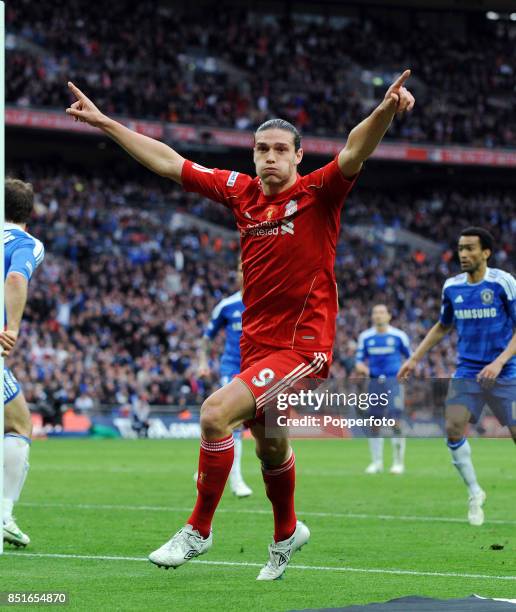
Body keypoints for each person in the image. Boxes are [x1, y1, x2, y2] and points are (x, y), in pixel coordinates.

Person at [66, 70, 415, 579]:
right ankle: (287, 532)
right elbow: (169, 161)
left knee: (213, 415)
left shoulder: (320, 192)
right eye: (260, 149)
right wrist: (106, 124)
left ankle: (198, 530)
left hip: (302, 347)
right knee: (271, 446)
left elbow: (354, 150)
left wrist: (385, 110)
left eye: (279, 149)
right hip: (256, 346)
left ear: (298, 156)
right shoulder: (241, 193)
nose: (269, 157)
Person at [398, 227, 516, 526]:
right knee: (452, 428)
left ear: (486, 252)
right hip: (467, 371)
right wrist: (414, 357)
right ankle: (475, 492)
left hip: (506, 370)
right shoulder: (452, 287)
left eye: (470, 249)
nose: (463, 254)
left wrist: (500, 362)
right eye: (461, 248)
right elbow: (443, 325)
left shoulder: (503, 283)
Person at [2, 179, 45, 547]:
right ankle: (3, 513)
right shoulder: (25, 243)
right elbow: (16, 276)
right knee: (18, 423)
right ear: (28, 215)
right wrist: (11, 327)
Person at [198, 264, 252, 497]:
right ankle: (236, 481)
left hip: (260, 370)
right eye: (240, 269)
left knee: (264, 427)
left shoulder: (268, 302)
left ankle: (204, 467)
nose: (244, 273)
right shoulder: (227, 306)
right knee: (232, 421)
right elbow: (206, 338)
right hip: (232, 369)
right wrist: (202, 362)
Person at [355, 304, 411, 474]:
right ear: (372, 317)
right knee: (374, 423)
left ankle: (398, 463)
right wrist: (366, 371)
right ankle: (377, 462)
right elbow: (358, 362)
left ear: (389, 316)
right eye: (375, 312)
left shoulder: (399, 336)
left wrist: (405, 372)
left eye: (382, 312)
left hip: (393, 382)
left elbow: (411, 358)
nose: (378, 315)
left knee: (395, 421)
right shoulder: (365, 337)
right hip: (374, 384)